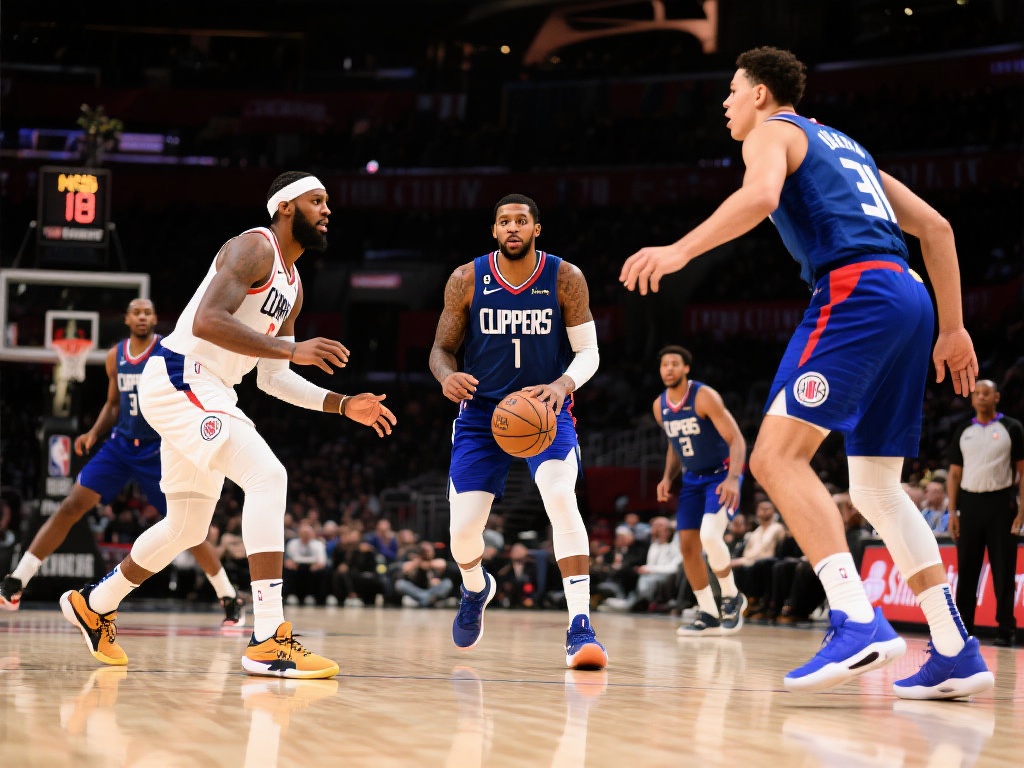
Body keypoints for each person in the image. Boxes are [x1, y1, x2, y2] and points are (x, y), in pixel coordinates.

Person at [620, 47, 994, 699]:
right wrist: (954, 328)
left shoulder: (771, 132)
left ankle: (854, 616)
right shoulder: (848, 147)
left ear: (761, 94)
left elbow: (760, 196)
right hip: (911, 297)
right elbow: (936, 228)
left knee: (775, 458)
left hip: (856, 293)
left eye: (732, 90)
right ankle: (954, 646)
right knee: (877, 489)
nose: (725, 103)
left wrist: (679, 251)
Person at [59, 171, 397, 678]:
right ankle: (268, 637)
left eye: (327, 202)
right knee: (268, 476)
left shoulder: (294, 287)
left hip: (208, 388)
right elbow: (206, 320)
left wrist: (343, 404)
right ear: (286, 207)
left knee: (187, 526)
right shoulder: (254, 247)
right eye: (317, 200)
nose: (327, 210)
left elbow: (273, 379)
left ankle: (94, 604)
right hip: (182, 375)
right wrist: (292, 349)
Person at [429, 193, 607, 669]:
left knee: (560, 498)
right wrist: (446, 376)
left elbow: (588, 352)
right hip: (480, 415)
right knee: (462, 533)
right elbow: (441, 349)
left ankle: (581, 626)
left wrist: (563, 384)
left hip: (545, 410)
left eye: (521, 221)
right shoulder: (466, 279)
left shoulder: (565, 277)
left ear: (536, 229)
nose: (512, 227)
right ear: (494, 230)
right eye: (504, 221)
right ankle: (475, 588)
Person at [0, 299, 245, 627]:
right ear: (127, 318)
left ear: (155, 318)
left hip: (158, 449)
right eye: (136, 312)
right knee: (71, 505)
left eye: (148, 312)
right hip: (119, 446)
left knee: (188, 528)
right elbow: (114, 404)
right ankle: (18, 579)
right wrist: (94, 432)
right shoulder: (115, 355)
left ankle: (228, 595)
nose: (142, 316)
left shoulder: (168, 350)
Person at [652, 345, 748, 636]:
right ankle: (708, 612)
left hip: (721, 476)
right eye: (664, 364)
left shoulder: (704, 396)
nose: (669, 369)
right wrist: (667, 477)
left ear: (686, 368)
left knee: (709, 535)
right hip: (692, 479)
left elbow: (737, 440)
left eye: (674, 363)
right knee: (687, 547)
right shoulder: (659, 406)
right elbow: (675, 443)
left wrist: (733, 479)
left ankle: (731, 596)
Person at [947, 380, 1024, 647]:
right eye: (977, 393)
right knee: (967, 570)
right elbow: (954, 474)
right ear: (972, 399)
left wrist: (1021, 511)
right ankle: (963, 629)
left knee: (1004, 569)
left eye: (987, 393)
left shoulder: (1012, 428)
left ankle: (1005, 628)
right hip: (970, 504)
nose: (981, 397)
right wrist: (953, 512)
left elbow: (1022, 471)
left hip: (1001, 503)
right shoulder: (963, 430)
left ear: (996, 397)